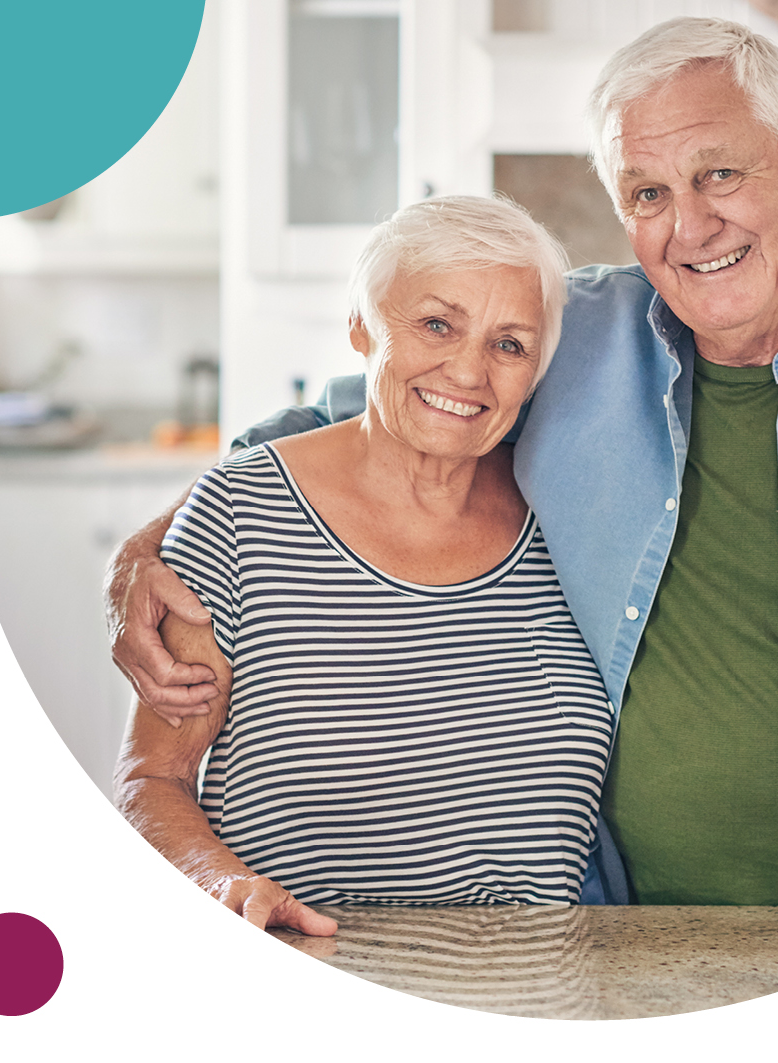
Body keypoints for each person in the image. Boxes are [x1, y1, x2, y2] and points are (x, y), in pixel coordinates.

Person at [108, 17, 778, 908]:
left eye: (721, 172)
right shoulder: (559, 334)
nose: (690, 225)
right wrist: (151, 553)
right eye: (648, 192)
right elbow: (351, 414)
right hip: (613, 942)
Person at [112, 196, 613, 935]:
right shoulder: (240, 513)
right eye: (436, 324)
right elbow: (150, 777)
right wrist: (221, 881)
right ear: (360, 324)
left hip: (540, 988)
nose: (468, 370)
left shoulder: (570, 518)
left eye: (509, 344)